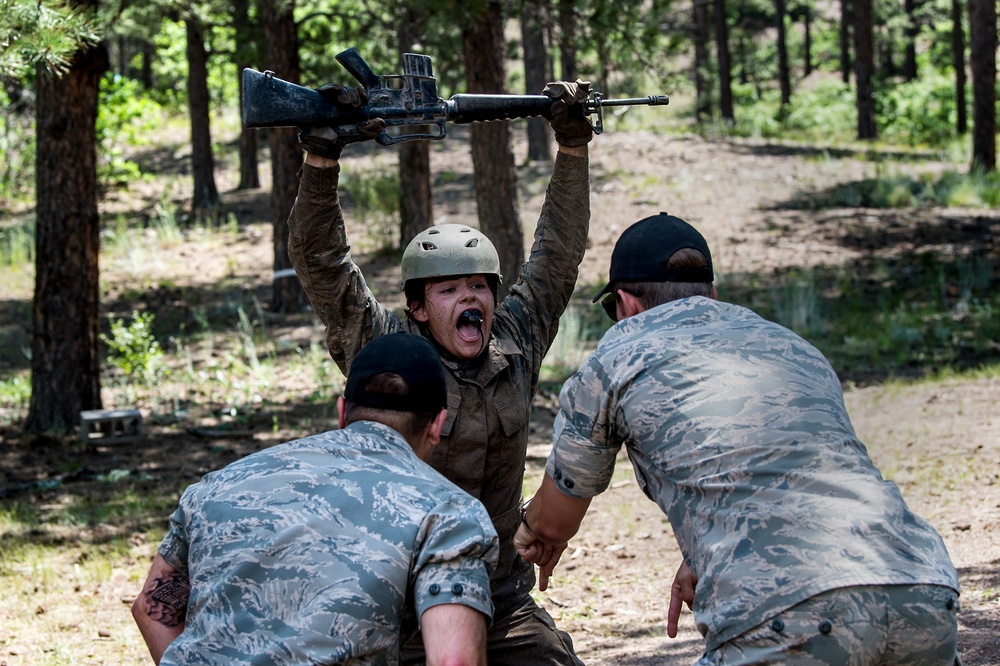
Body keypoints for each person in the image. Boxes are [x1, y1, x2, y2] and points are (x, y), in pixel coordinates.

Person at [513, 212, 962, 665]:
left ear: (626, 304)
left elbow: (554, 523)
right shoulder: (794, 348)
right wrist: (707, 557)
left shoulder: (615, 359)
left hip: (783, 613)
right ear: (712, 295)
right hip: (921, 587)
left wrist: (526, 530)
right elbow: (793, 471)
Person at [286, 79, 593, 665]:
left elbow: (557, 254)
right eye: (449, 289)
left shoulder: (515, 342)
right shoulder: (387, 355)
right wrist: (322, 158)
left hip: (498, 602)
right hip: (392, 610)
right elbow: (322, 262)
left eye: (479, 286)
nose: (468, 298)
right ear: (420, 308)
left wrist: (573, 148)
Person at [132, 332, 499, 666]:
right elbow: (455, 660)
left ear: (342, 412)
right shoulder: (448, 513)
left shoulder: (217, 485)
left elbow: (151, 609)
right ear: (437, 425)